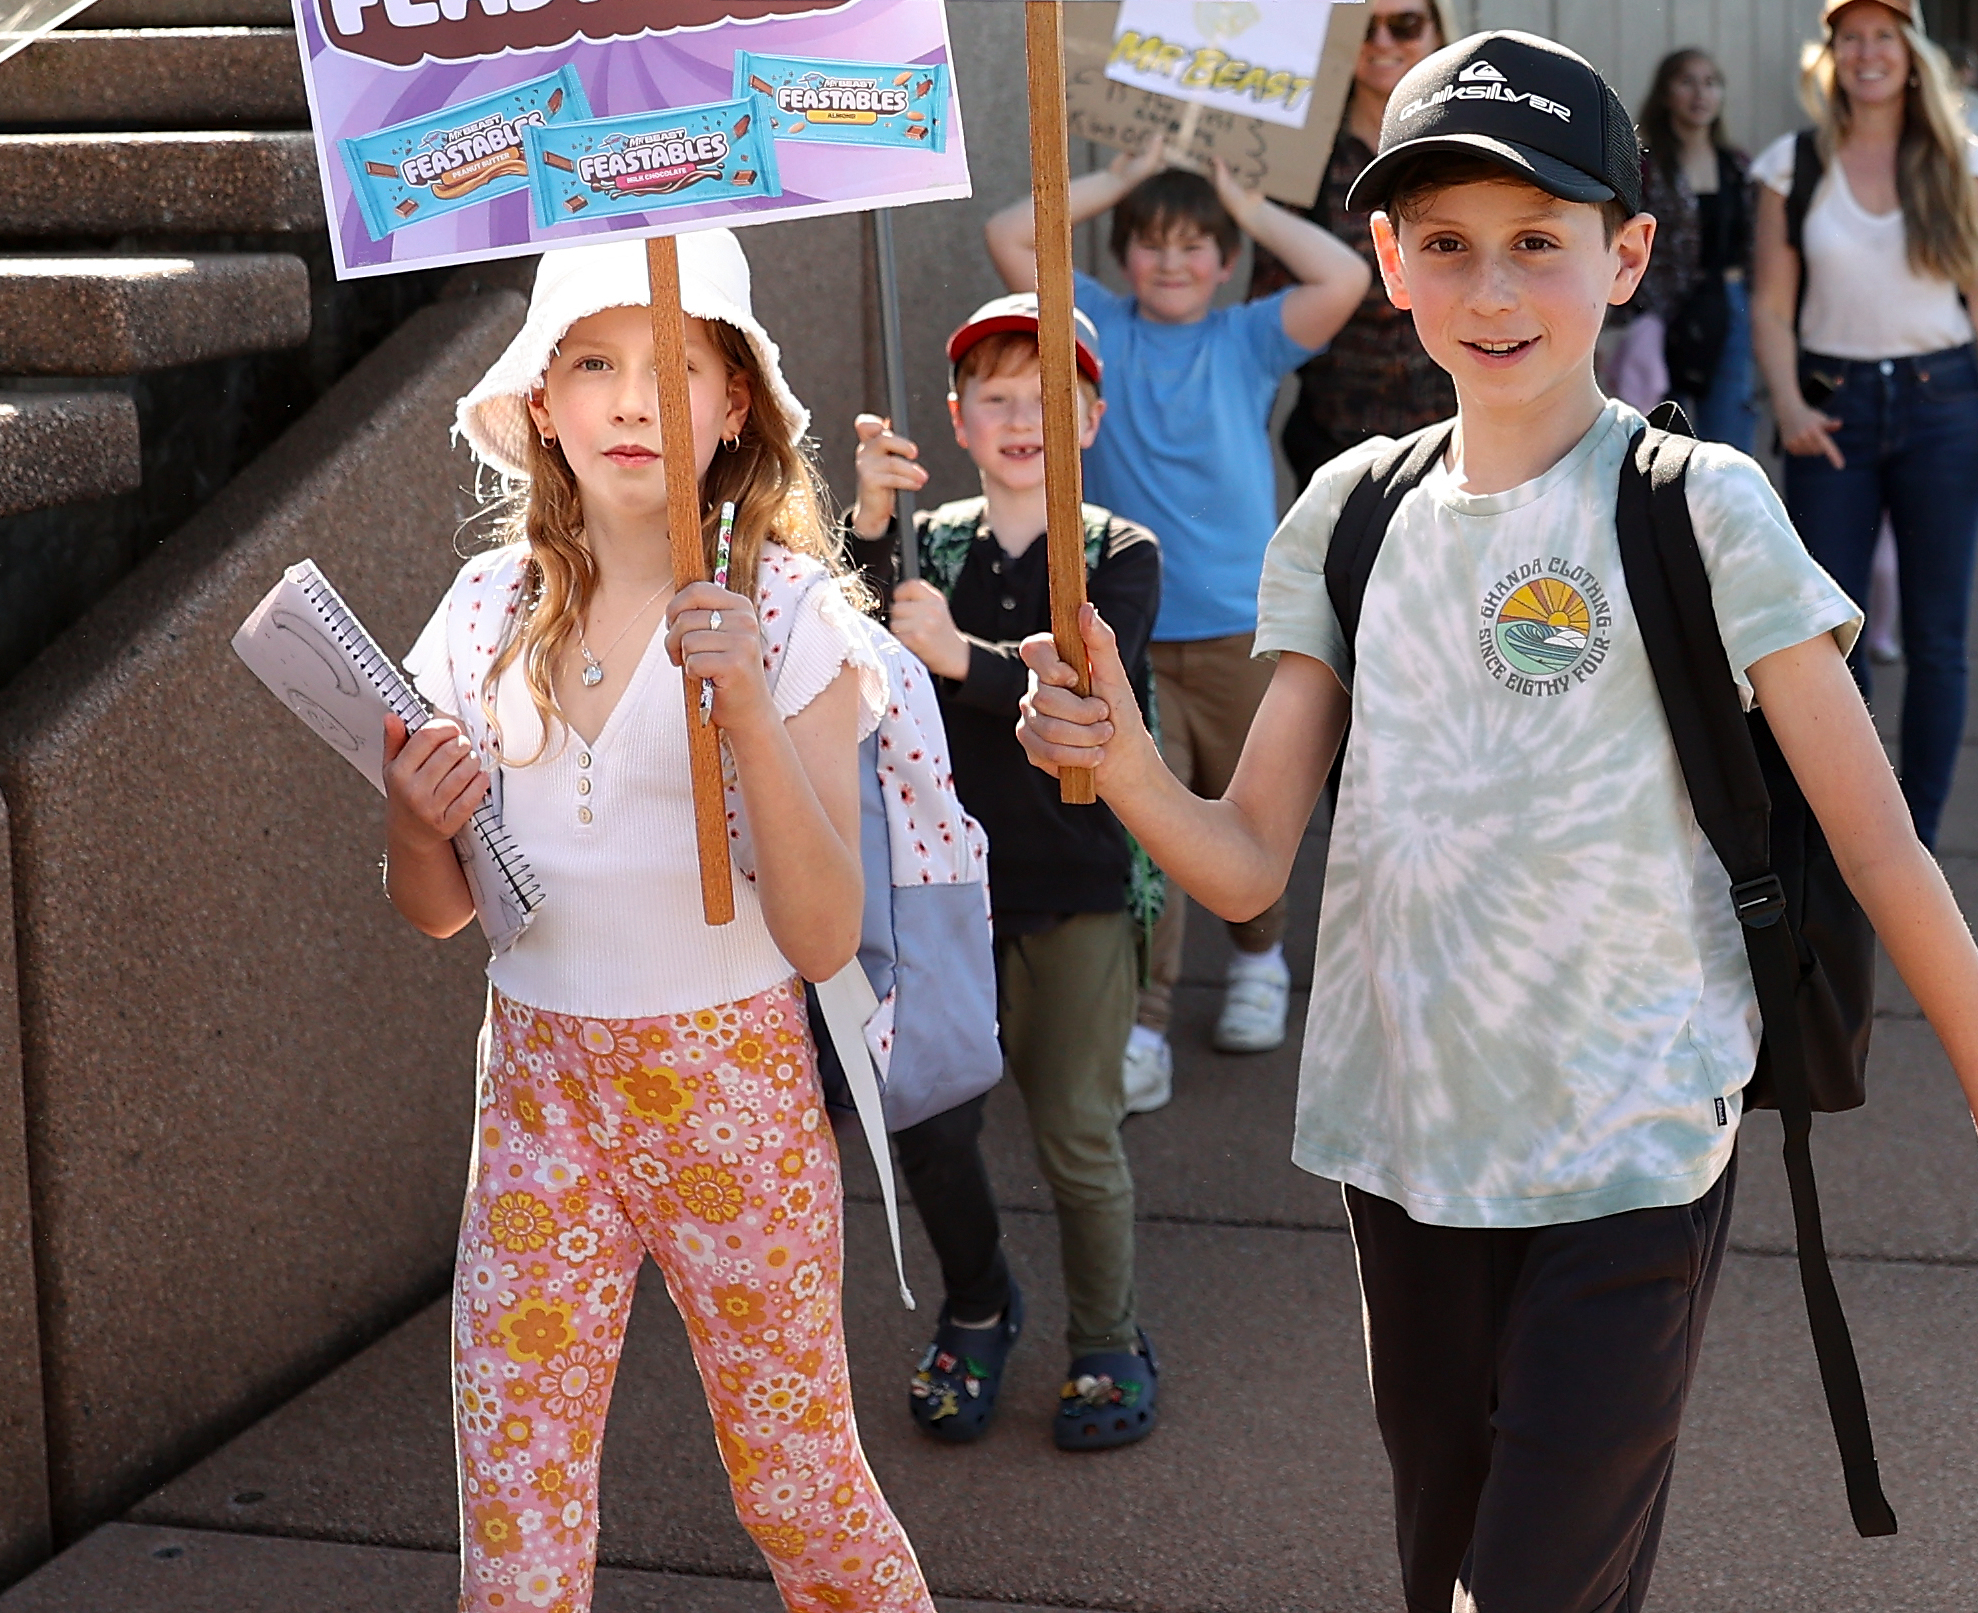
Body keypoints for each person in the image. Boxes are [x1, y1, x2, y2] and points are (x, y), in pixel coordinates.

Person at [1016, 26, 1978, 1613]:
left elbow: (1881, 847)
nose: (1495, 290)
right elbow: (1251, 851)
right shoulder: (1347, 513)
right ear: (1388, 259)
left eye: (1542, 243)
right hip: (1403, 1146)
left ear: (1629, 255)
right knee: (1448, 1568)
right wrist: (1124, 762)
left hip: (1633, 1146)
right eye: (1450, 247)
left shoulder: (1705, 505)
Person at [379, 230, 929, 1613]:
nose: (632, 400)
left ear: (735, 400)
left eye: (674, 366)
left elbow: (821, 934)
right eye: (593, 363)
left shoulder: (790, 610)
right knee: (515, 1483)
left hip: (731, 1082)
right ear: (543, 400)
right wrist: (411, 810)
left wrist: (742, 699)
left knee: (794, 1475)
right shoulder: (484, 608)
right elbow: (440, 914)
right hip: (537, 1084)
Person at [847, 297, 1167, 1452]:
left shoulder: (1118, 552)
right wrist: (871, 518)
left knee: (1076, 1129)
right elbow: (846, 635)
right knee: (928, 1121)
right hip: (938, 884)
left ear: (1088, 418)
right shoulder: (929, 544)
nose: (1020, 419)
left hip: (1075, 874)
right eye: (994, 398)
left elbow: (1092, 692)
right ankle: (977, 1304)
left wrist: (960, 659)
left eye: (1047, 399)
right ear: (956, 420)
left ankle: (1108, 1339)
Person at [989, 144, 1368, 1106]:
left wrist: (1240, 192)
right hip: (1129, 634)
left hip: (1248, 633)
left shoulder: (1247, 338)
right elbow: (1004, 233)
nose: (1172, 262)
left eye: (1196, 244)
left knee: (1250, 818)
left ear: (1228, 259)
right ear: (1121, 254)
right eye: (1152, 244)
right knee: (1152, 836)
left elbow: (1347, 274)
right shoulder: (1096, 326)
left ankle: (1258, 959)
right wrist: (1124, 176)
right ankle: (1148, 1018)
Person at [1751, 0, 1978, 845]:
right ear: (1831, 54)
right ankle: (1856, 823)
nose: (1868, 52)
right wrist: (1787, 406)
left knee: (1937, 637)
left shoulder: (1963, 161)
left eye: (1884, 36)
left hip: (1943, 406)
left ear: (1912, 55)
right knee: (1829, 640)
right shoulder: (1791, 163)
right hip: (1832, 412)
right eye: (1851, 37)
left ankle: (1915, 841)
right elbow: (1770, 306)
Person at [1266, 0, 1459, 481]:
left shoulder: (1477, 152)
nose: (1381, 41)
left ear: (1437, 30)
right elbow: (1275, 309)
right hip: (1343, 456)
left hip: (1470, 445)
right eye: (1360, 26)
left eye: (1405, 24)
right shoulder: (1307, 162)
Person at [1627, 46, 1756, 451]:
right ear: (1666, 94)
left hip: (1728, 303)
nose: (1700, 94)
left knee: (1729, 432)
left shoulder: (1736, 164)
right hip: (1666, 310)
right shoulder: (1645, 165)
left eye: (1711, 82)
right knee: (1665, 440)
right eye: (1687, 82)